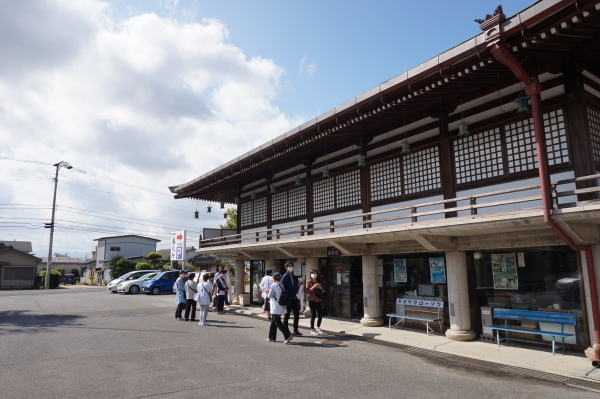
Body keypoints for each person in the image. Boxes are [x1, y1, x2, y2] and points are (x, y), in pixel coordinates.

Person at [267, 272, 293, 344]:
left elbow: (269, 296)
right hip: (281, 305)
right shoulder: (281, 285)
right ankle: (272, 337)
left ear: (273, 278)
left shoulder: (273, 286)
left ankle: (287, 336)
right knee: (273, 321)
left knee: (277, 322)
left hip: (276, 306)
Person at [281, 262, 302, 336]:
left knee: (297, 314)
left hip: (294, 297)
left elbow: (295, 285)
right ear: (286, 267)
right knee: (287, 315)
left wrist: (297, 287)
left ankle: (295, 330)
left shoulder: (293, 276)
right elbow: (282, 287)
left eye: (292, 266)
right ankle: (286, 330)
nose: (291, 267)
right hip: (288, 298)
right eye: (289, 266)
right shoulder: (284, 276)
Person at [306, 269, 325, 335]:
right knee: (313, 315)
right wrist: (314, 286)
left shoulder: (319, 281)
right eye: (312, 273)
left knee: (320, 314)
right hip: (312, 300)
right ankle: (312, 329)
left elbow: (323, 291)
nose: (314, 274)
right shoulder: (309, 282)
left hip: (318, 299)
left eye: (315, 273)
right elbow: (308, 291)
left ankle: (318, 327)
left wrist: (320, 288)